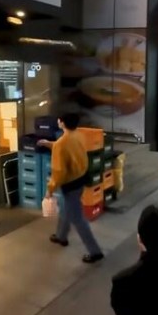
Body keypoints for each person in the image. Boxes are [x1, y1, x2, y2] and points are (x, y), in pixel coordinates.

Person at [40, 113, 104, 264]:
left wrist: (50, 189)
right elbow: (67, 148)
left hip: (70, 184)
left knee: (78, 218)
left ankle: (95, 251)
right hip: (80, 179)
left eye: (59, 119)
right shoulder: (78, 135)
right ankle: (61, 236)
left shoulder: (62, 143)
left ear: (62, 123)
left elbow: (58, 171)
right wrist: (49, 144)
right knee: (66, 208)